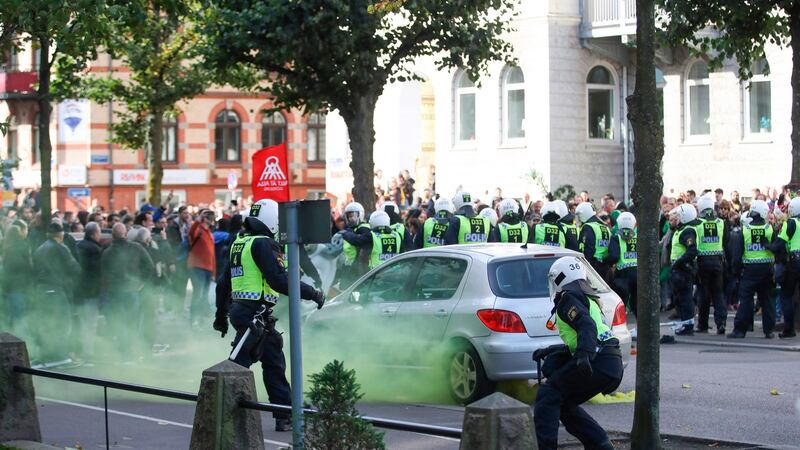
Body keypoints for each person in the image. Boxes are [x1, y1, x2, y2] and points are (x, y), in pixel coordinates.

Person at [213, 199, 325, 432]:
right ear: (273, 221)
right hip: (254, 315)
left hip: (249, 314)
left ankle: (284, 414)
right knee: (238, 366)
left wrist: (221, 315)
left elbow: (223, 283)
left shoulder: (239, 243)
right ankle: (222, 415)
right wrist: (311, 292)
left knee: (273, 361)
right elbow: (279, 280)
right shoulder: (264, 243)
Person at [532, 256, 622, 450]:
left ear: (559, 279)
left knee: (548, 395)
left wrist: (583, 355)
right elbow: (587, 335)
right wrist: (552, 351)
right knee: (564, 403)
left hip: (597, 359)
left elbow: (586, 326)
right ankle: (600, 444)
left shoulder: (569, 298)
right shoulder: (588, 297)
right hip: (610, 361)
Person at [33, 222, 81, 360]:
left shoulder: (39, 249)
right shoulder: (61, 248)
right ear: (60, 236)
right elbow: (75, 269)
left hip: (41, 291)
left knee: (46, 324)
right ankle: (60, 355)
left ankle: (47, 354)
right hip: (57, 291)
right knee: (63, 324)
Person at [728, 200, 776, 339]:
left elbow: (737, 256)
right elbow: (775, 247)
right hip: (767, 269)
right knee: (767, 300)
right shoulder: (769, 228)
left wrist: (736, 272)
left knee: (746, 300)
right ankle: (769, 330)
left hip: (749, 270)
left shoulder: (745, 230)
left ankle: (740, 330)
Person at [694, 195, 729, 334]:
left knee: (704, 294)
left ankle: (702, 324)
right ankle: (721, 323)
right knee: (718, 293)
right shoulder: (721, 222)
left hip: (703, 262)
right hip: (717, 261)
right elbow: (726, 242)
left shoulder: (697, 224)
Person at [770, 197, 800, 338]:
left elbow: (779, 244)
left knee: (786, 295)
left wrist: (767, 245)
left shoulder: (791, 223)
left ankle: (789, 329)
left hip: (794, 262)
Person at [669, 204, 700, 335]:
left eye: (677, 217)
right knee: (680, 298)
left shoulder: (687, 231)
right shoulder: (681, 230)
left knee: (685, 298)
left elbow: (692, 250)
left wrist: (678, 262)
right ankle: (685, 323)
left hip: (682, 270)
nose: (673, 219)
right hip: (679, 269)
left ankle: (687, 325)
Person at [74, 222, 104, 358]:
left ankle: (79, 349)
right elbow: (99, 271)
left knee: (80, 323)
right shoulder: (95, 250)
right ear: (94, 234)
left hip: (78, 291)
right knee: (90, 324)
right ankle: (88, 352)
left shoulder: (78, 246)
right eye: (99, 232)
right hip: (91, 292)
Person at [2, 221, 32, 335]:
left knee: (12, 317)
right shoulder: (20, 248)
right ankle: (22, 342)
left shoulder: (6, 250)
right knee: (20, 318)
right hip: (18, 288)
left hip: (8, 289)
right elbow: (25, 268)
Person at [188, 210, 216, 326]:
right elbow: (191, 233)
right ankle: (193, 318)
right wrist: (198, 219)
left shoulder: (209, 232)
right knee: (198, 293)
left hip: (208, 268)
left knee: (204, 294)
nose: (211, 219)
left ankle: (199, 318)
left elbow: (212, 254)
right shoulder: (198, 229)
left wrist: (214, 272)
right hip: (197, 266)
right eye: (209, 217)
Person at [607, 212, 638, 316]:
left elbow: (614, 256)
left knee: (620, 303)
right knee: (636, 302)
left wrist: (605, 261)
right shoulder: (638, 237)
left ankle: (622, 328)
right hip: (638, 273)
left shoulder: (616, 238)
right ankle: (640, 328)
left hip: (622, 274)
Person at [338, 202, 372, 287]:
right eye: (349, 216)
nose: (352, 218)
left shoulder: (364, 228)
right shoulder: (351, 229)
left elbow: (360, 242)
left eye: (354, 215)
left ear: (360, 215)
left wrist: (346, 235)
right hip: (350, 267)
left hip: (360, 269)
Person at [576, 202, 611, 281]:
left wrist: (585, 268)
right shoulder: (605, 227)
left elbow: (588, 250)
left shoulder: (588, 227)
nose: (579, 218)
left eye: (579, 216)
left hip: (593, 266)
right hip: (605, 267)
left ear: (584, 214)